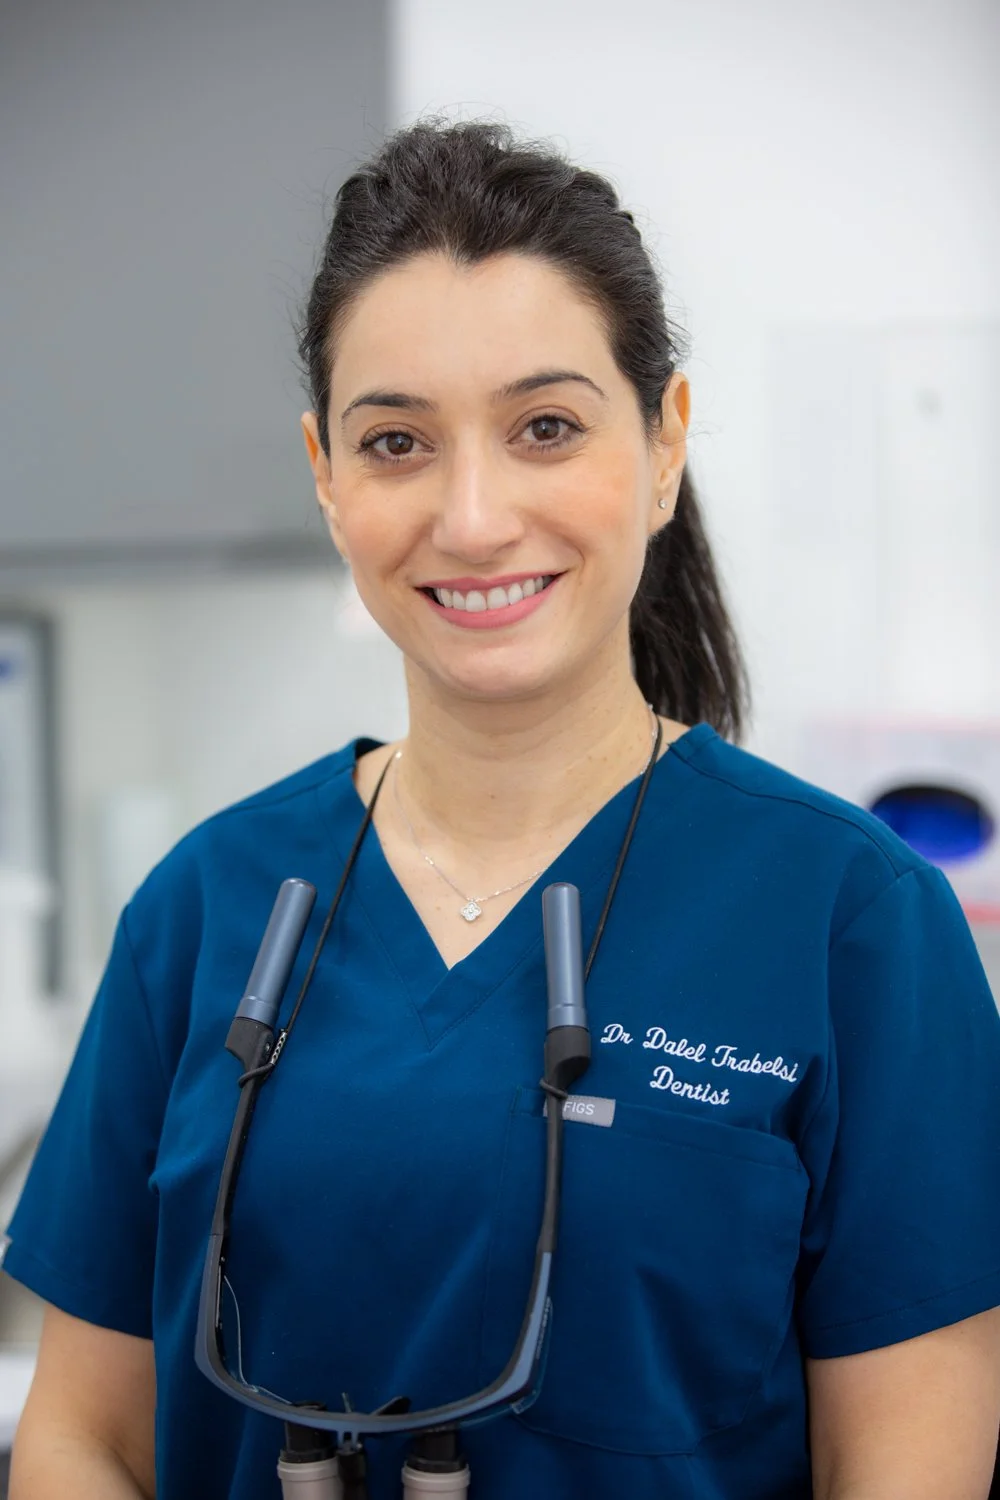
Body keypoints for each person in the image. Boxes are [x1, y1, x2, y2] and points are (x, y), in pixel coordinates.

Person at [4, 119, 1000, 1500]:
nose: (471, 517)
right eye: (397, 440)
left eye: (545, 428)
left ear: (665, 444)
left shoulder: (856, 924)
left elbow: (906, 1468)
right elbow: (82, 1440)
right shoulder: (204, 906)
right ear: (326, 474)